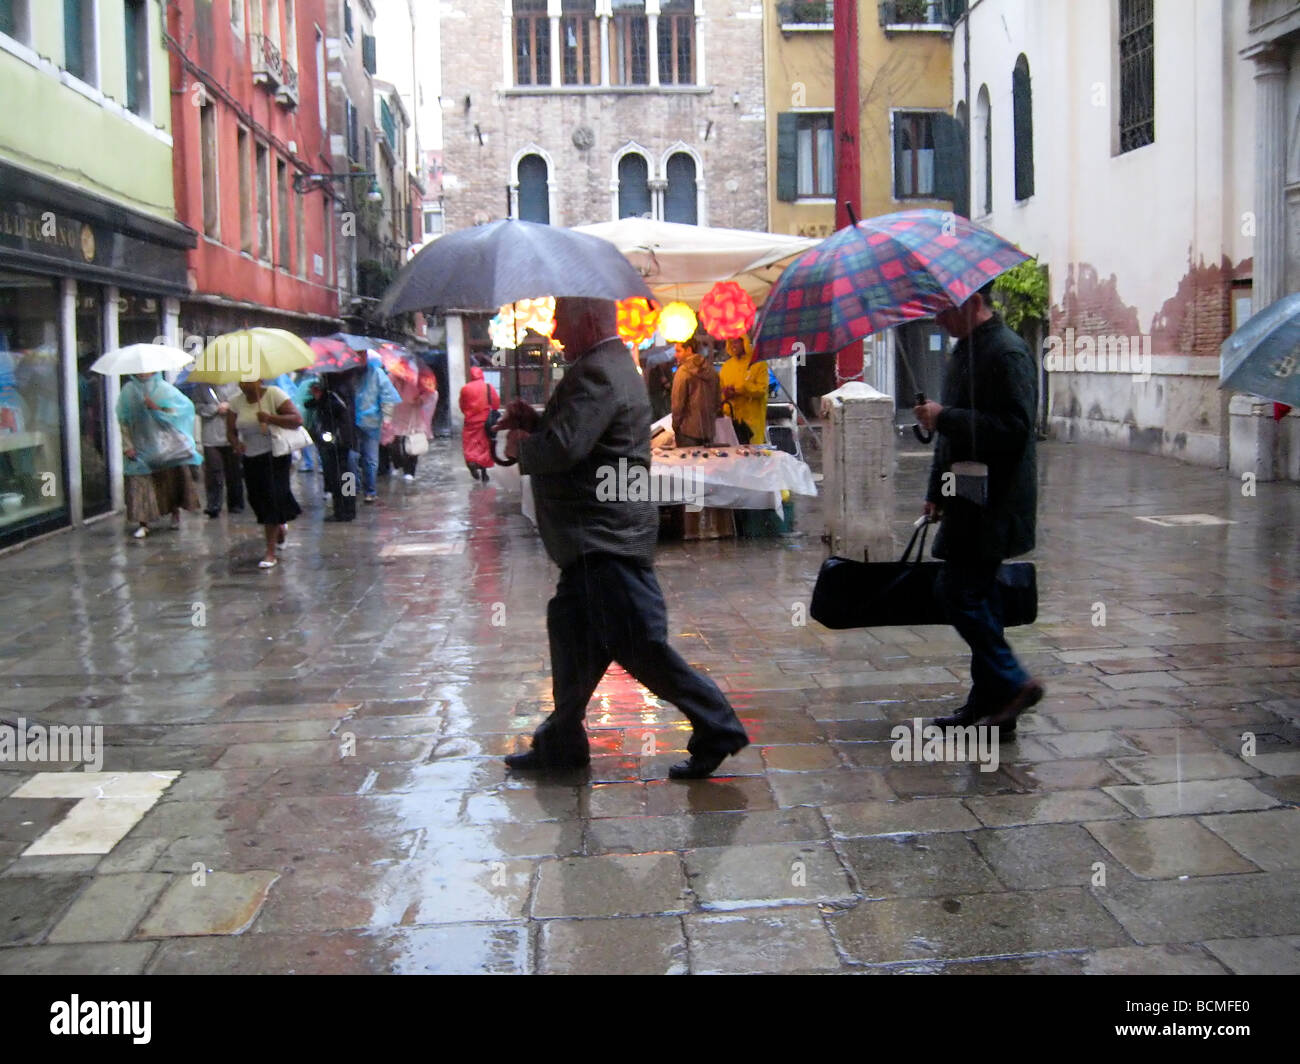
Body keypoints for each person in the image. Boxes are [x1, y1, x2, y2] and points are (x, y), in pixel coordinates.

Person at [499, 297, 750, 779]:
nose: (554, 329)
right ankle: (561, 742)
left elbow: (567, 447)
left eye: (562, 317)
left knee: (642, 645)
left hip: (603, 537)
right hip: (594, 540)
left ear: (588, 319)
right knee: (573, 638)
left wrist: (525, 446)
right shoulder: (610, 365)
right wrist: (536, 420)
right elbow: (584, 433)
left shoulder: (597, 371)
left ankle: (718, 725)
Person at [917, 282, 1042, 738]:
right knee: (980, 597)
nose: (936, 320)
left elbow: (1015, 429)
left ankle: (1013, 683)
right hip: (964, 492)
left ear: (972, 303)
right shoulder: (964, 350)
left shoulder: (1007, 353)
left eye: (943, 310)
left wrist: (944, 416)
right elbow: (952, 430)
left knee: (957, 591)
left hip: (997, 498)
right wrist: (937, 488)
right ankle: (992, 704)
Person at [226, 379, 304, 568]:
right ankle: (279, 525)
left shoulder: (274, 394)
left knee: (273, 497)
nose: (244, 385)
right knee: (257, 499)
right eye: (241, 382)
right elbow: (230, 430)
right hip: (251, 457)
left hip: (275, 455)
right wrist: (236, 444)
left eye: (248, 381)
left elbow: (296, 420)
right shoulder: (235, 402)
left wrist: (270, 418)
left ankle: (270, 552)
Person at [118, 372, 204, 539]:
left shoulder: (165, 389)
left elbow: (179, 413)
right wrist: (127, 445)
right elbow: (123, 420)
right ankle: (143, 522)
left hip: (165, 445)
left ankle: (175, 513)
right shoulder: (128, 391)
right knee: (140, 483)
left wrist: (156, 408)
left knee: (170, 480)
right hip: (140, 443)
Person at [304, 372, 358, 522]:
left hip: (338, 439)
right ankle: (346, 509)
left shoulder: (336, 390)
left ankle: (343, 510)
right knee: (345, 474)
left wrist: (320, 398)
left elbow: (337, 408)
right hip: (344, 438)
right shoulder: (343, 387)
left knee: (340, 474)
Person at [191, 382, 245, 518]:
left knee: (234, 471)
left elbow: (244, 403)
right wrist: (214, 408)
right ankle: (213, 504)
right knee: (214, 471)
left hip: (233, 432)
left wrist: (230, 407)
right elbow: (197, 406)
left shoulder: (238, 384)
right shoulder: (202, 386)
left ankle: (236, 504)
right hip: (211, 434)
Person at [381, 355, 437, 481]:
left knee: (414, 440)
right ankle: (398, 463)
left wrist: (421, 399)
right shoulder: (392, 377)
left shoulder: (419, 378)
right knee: (395, 439)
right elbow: (385, 391)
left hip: (413, 412)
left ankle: (410, 471)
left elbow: (431, 392)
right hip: (397, 411)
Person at [353, 356, 400, 503]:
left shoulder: (375, 373)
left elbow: (387, 395)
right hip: (353, 423)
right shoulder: (374, 373)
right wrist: (386, 418)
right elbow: (387, 395)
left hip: (367, 423)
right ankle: (353, 492)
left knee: (367, 459)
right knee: (354, 459)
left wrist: (386, 418)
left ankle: (365, 492)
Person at [718, 336, 768, 445]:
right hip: (730, 421)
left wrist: (740, 390)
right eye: (730, 342)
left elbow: (762, 390)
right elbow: (719, 392)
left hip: (751, 422)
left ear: (744, 342)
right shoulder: (727, 366)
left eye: (736, 342)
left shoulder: (758, 364)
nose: (733, 345)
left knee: (752, 456)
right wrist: (725, 395)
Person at [670, 336, 719, 447]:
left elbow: (677, 404)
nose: (675, 355)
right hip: (709, 431)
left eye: (678, 351)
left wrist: (675, 425)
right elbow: (717, 401)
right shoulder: (712, 371)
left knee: (690, 464)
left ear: (689, 350)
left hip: (687, 431)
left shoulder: (683, 372)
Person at [458, 365, 499, 483]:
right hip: (485, 422)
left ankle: (472, 463)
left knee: (470, 445)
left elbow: (462, 405)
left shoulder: (465, 388)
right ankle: (484, 472)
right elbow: (496, 403)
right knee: (484, 446)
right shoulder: (488, 387)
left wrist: (469, 413)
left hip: (470, 422)